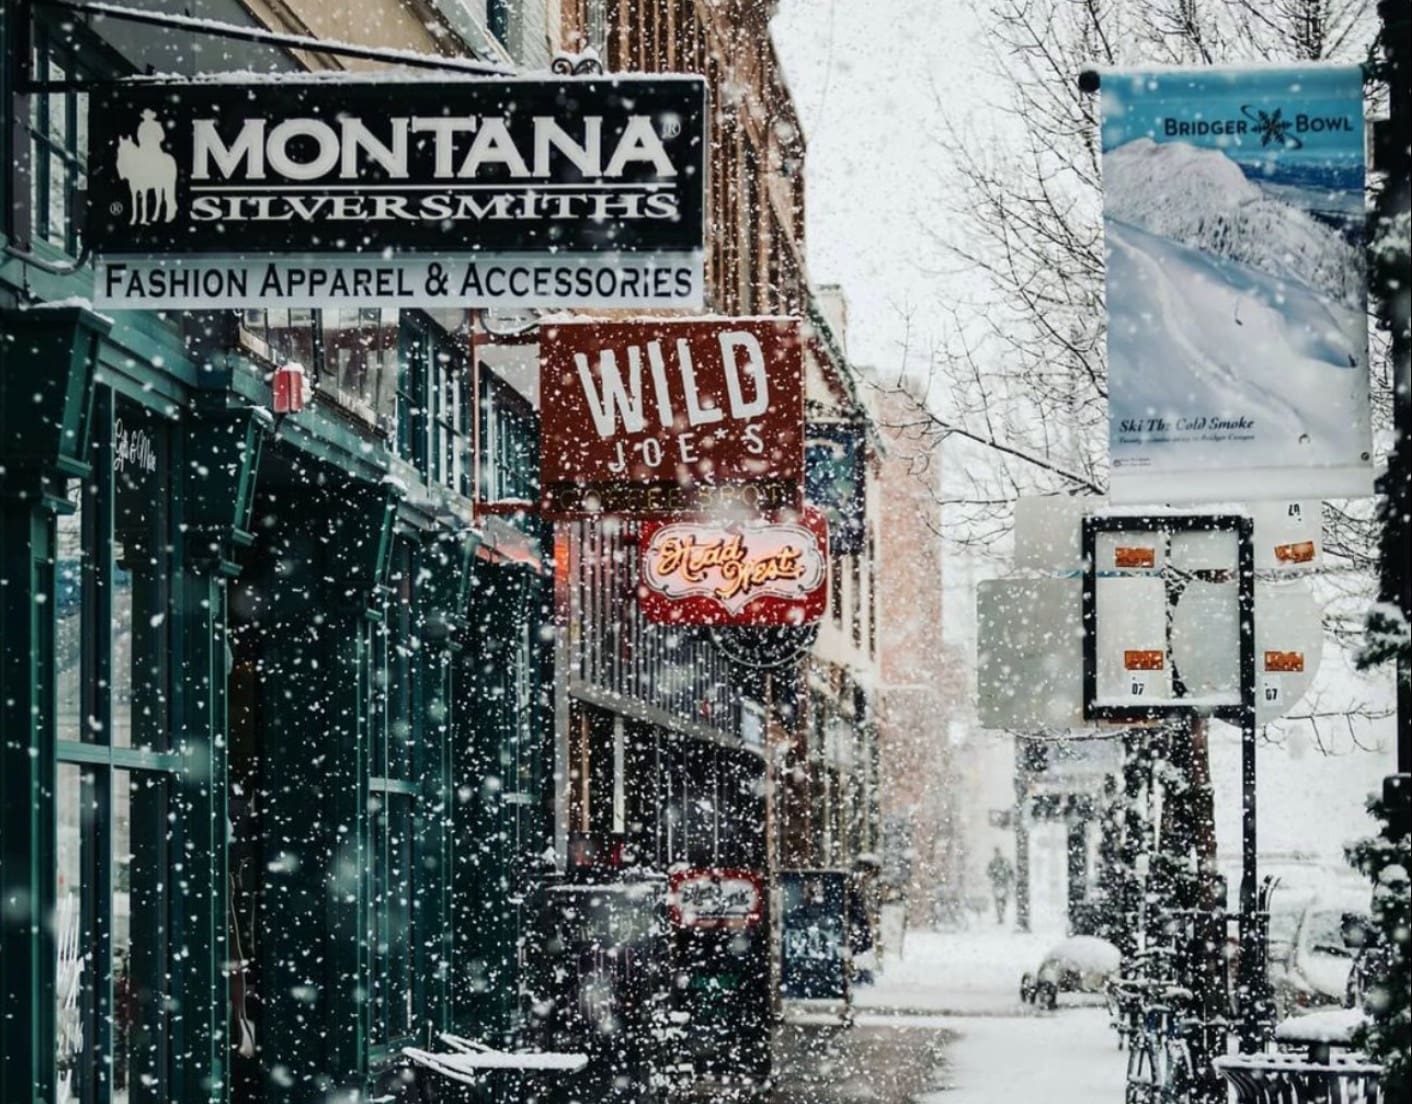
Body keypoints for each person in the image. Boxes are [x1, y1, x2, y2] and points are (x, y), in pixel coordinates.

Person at [986, 847, 1015, 925]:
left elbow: (989, 872)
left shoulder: (996, 862)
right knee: (1000, 900)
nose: (997, 854)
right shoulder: (997, 862)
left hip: (1000, 883)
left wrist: (993, 876)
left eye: (997, 852)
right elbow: (1011, 872)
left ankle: (1001, 915)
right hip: (1000, 883)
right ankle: (1000, 915)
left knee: (1001, 900)